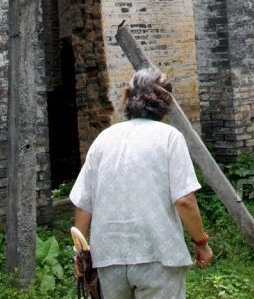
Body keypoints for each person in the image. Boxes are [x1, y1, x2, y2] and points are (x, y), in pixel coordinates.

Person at [70, 67, 213, 298]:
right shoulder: (169, 137)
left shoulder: (103, 140)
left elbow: (84, 204)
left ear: (127, 97)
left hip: (108, 259)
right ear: (167, 102)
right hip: (158, 255)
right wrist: (201, 242)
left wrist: (80, 255)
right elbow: (184, 200)